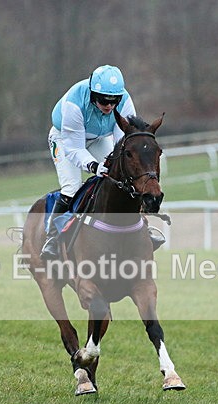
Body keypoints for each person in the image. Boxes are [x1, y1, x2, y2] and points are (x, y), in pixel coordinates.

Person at [41, 65, 137, 260]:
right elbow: (75, 148)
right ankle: (52, 237)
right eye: (103, 100)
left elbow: (123, 140)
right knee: (72, 185)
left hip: (100, 138)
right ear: (93, 94)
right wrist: (93, 166)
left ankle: (140, 227)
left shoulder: (125, 100)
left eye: (114, 101)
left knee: (121, 177)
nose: (109, 106)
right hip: (65, 139)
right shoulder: (75, 103)